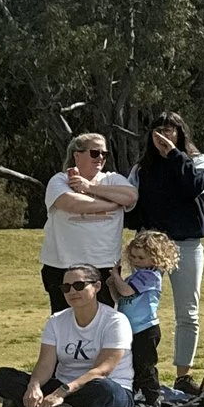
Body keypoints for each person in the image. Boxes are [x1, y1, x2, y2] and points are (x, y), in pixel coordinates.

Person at [128, 111, 204, 390]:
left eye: (170, 129)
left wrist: (176, 155)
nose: (163, 135)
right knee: (138, 308)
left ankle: (183, 376)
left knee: (188, 313)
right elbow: (131, 205)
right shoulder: (141, 169)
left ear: (180, 132)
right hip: (150, 246)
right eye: (158, 130)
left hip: (186, 245)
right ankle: (139, 373)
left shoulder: (197, 161)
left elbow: (195, 187)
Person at [0, 267, 135, 407]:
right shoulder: (56, 321)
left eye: (79, 286)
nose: (72, 291)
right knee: (1, 377)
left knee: (105, 390)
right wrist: (34, 386)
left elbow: (101, 371)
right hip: (62, 386)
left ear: (97, 287)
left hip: (101, 387)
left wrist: (62, 392)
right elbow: (45, 364)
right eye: (66, 288)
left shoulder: (115, 321)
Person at [41, 133, 137, 313]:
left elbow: (131, 197)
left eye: (104, 154)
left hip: (104, 266)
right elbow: (71, 203)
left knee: (104, 322)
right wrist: (112, 204)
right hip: (62, 266)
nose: (100, 157)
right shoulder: (60, 180)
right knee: (64, 323)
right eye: (94, 153)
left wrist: (89, 187)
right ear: (77, 155)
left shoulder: (112, 179)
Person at [115, 228, 178, 407]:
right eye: (133, 257)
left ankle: (153, 398)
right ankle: (135, 394)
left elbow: (126, 291)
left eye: (141, 258)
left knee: (145, 366)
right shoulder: (134, 276)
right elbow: (119, 296)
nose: (136, 261)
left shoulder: (151, 276)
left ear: (156, 258)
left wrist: (115, 276)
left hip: (145, 329)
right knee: (132, 364)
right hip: (131, 329)